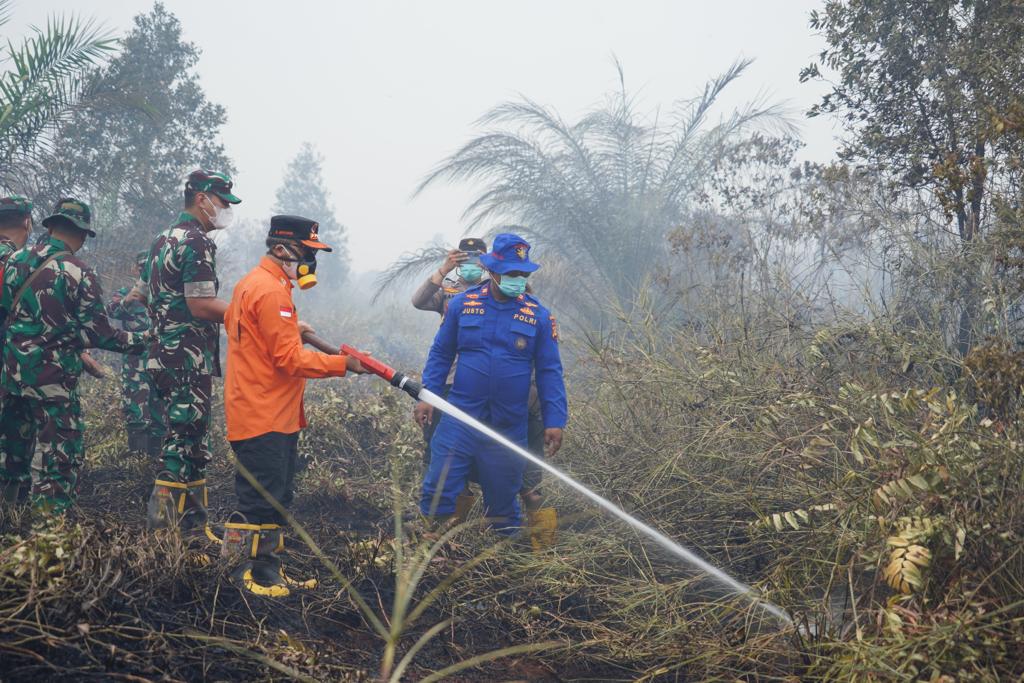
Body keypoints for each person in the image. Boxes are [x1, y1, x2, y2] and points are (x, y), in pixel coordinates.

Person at [221, 215, 365, 597]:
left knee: (276, 497)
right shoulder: (270, 292)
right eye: (307, 253)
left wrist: (293, 329)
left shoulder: (256, 284)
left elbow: (253, 335)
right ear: (283, 249)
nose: (310, 262)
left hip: (269, 412)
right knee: (259, 499)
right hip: (263, 413)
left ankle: (268, 572)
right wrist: (342, 364)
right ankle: (242, 574)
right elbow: (289, 361)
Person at [416, 233, 567, 537]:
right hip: (461, 415)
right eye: (512, 273)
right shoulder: (461, 305)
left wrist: (555, 420)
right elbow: (441, 353)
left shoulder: (538, 316)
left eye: (523, 274)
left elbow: (550, 371)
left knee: (505, 495)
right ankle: (432, 545)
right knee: (439, 484)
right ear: (494, 271)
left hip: (509, 423)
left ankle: (505, 560)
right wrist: (427, 395)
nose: (518, 279)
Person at [0, 198, 145, 514]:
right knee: (57, 459)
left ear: (50, 226)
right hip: (53, 384)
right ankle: (47, 536)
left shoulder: (15, 261)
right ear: (81, 234)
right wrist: (147, 340)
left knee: (12, 455)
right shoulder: (80, 272)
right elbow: (101, 333)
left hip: (13, 378)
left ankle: (8, 520)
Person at [140, 169, 240, 536]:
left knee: (192, 439)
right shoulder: (197, 242)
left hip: (162, 355)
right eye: (222, 201)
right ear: (201, 199)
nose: (225, 209)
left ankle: (195, 530)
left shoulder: (161, 239)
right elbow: (200, 305)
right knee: (183, 441)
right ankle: (167, 534)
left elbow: (145, 294)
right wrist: (247, 314)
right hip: (186, 356)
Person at [107, 250, 167, 456]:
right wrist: (127, 300)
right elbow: (110, 310)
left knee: (160, 409)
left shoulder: (163, 293)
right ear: (135, 269)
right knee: (136, 410)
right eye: (141, 267)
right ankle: (136, 460)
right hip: (135, 363)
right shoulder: (127, 292)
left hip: (160, 360)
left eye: (148, 267)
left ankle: (155, 459)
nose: (144, 271)